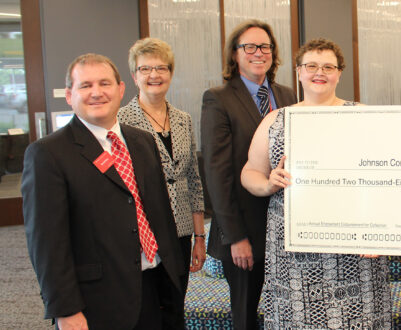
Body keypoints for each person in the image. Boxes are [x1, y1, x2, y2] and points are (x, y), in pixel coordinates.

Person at [22, 53, 185, 329]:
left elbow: (160, 215)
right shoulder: (48, 154)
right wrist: (65, 310)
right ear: (69, 94)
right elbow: (46, 244)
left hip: (157, 288)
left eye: (105, 83)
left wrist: (175, 276)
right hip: (99, 301)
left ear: (120, 90)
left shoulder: (143, 141)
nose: (96, 92)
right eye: (85, 86)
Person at [241, 38, 392, 329]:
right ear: (298, 72)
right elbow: (250, 172)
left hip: (354, 248)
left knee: (358, 319)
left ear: (339, 74)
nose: (319, 72)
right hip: (294, 253)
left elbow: (385, 177)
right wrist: (268, 183)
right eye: (311, 65)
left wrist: (380, 230)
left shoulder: (363, 116)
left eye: (328, 66)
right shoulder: (276, 119)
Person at [200, 20, 296, 329]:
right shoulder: (219, 98)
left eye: (265, 46)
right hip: (244, 230)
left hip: (286, 226)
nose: (259, 53)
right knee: (245, 314)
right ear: (235, 54)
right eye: (250, 47)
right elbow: (217, 172)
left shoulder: (288, 95)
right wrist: (235, 237)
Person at [118, 37, 206, 328]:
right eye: (145, 69)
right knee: (146, 308)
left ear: (170, 73)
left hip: (180, 232)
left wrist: (199, 237)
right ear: (134, 76)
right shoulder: (120, 121)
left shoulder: (183, 119)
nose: (154, 75)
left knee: (174, 305)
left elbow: (193, 179)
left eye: (161, 68)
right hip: (143, 232)